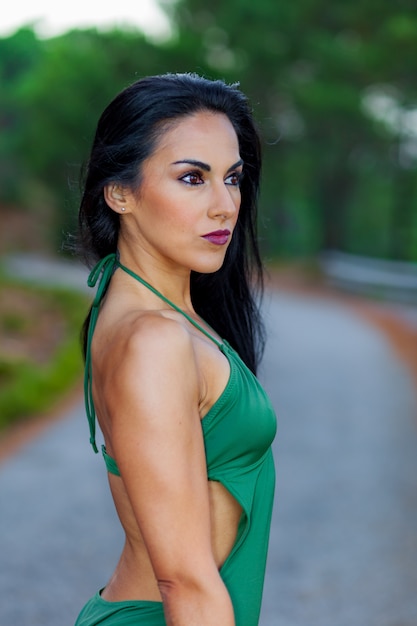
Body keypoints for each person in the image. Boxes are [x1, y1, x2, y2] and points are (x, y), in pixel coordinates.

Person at [73, 72, 277, 626]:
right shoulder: (154, 340)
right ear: (120, 193)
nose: (224, 206)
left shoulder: (161, 317)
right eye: (193, 178)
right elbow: (183, 579)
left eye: (233, 180)